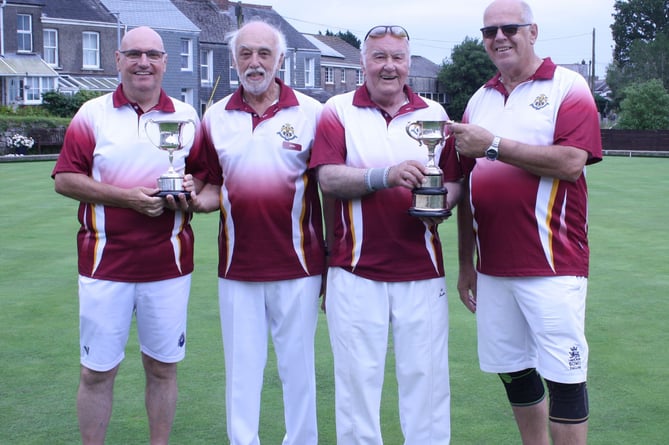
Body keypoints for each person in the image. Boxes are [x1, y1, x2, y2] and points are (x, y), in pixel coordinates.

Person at [448, 1, 602, 444]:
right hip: (493, 269)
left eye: (510, 28)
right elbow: (469, 191)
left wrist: (493, 144)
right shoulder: (480, 99)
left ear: (533, 31)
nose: (500, 37)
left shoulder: (568, 87)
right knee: (513, 372)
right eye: (489, 31)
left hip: (554, 264)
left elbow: (572, 162)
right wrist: (466, 265)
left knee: (565, 380)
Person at [310, 24, 462, 444]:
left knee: (427, 387)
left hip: (422, 270)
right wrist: (387, 176)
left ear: (409, 63)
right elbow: (328, 179)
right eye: (379, 57)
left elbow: (453, 181)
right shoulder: (337, 110)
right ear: (363, 63)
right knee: (357, 391)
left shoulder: (436, 114)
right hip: (356, 272)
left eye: (397, 57)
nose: (389, 66)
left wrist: (440, 205)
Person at [52, 26, 199, 445]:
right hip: (104, 264)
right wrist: (127, 199)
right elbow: (65, 179)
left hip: (169, 266)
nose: (143, 63)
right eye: (133, 54)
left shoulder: (187, 117)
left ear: (165, 62)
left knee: (163, 367)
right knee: (96, 372)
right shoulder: (92, 113)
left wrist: (189, 192)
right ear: (118, 60)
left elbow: (206, 182)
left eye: (153, 54)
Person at [183, 20, 325, 445]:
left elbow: (330, 188)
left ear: (281, 60)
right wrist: (189, 194)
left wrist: (333, 257)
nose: (255, 62)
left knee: (297, 370)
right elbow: (210, 190)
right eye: (245, 53)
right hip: (237, 267)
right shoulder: (215, 116)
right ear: (234, 60)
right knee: (242, 372)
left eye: (264, 53)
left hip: (299, 266)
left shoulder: (312, 113)